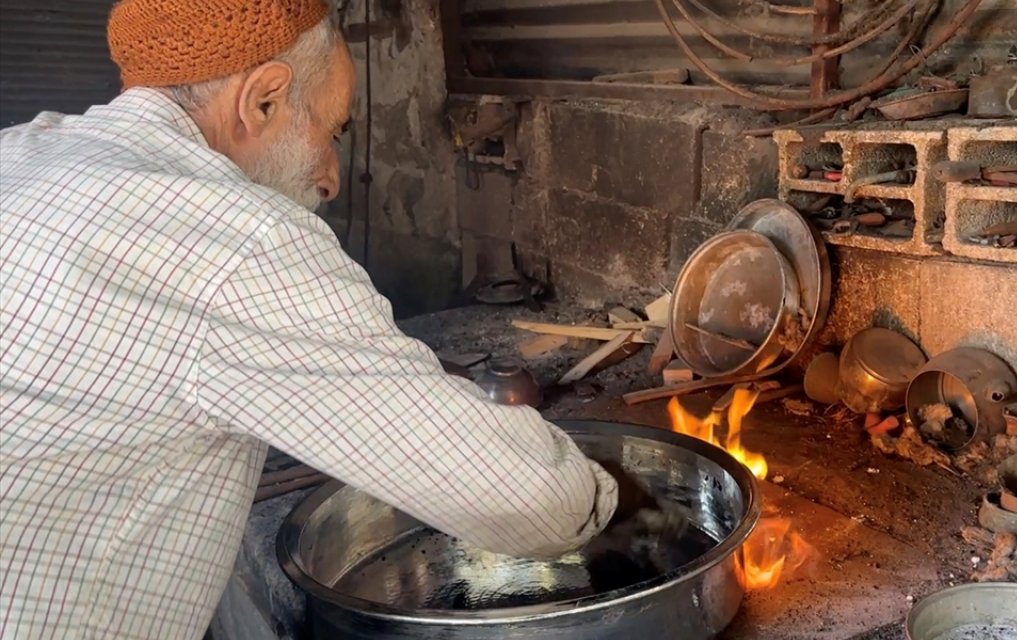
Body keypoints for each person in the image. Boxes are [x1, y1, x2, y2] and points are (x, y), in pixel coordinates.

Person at [0, 1, 620, 637]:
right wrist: (620, 498)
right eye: (334, 132)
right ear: (264, 99)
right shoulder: (236, 239)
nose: (329, 180)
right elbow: (534, 503)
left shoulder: (20, 152)